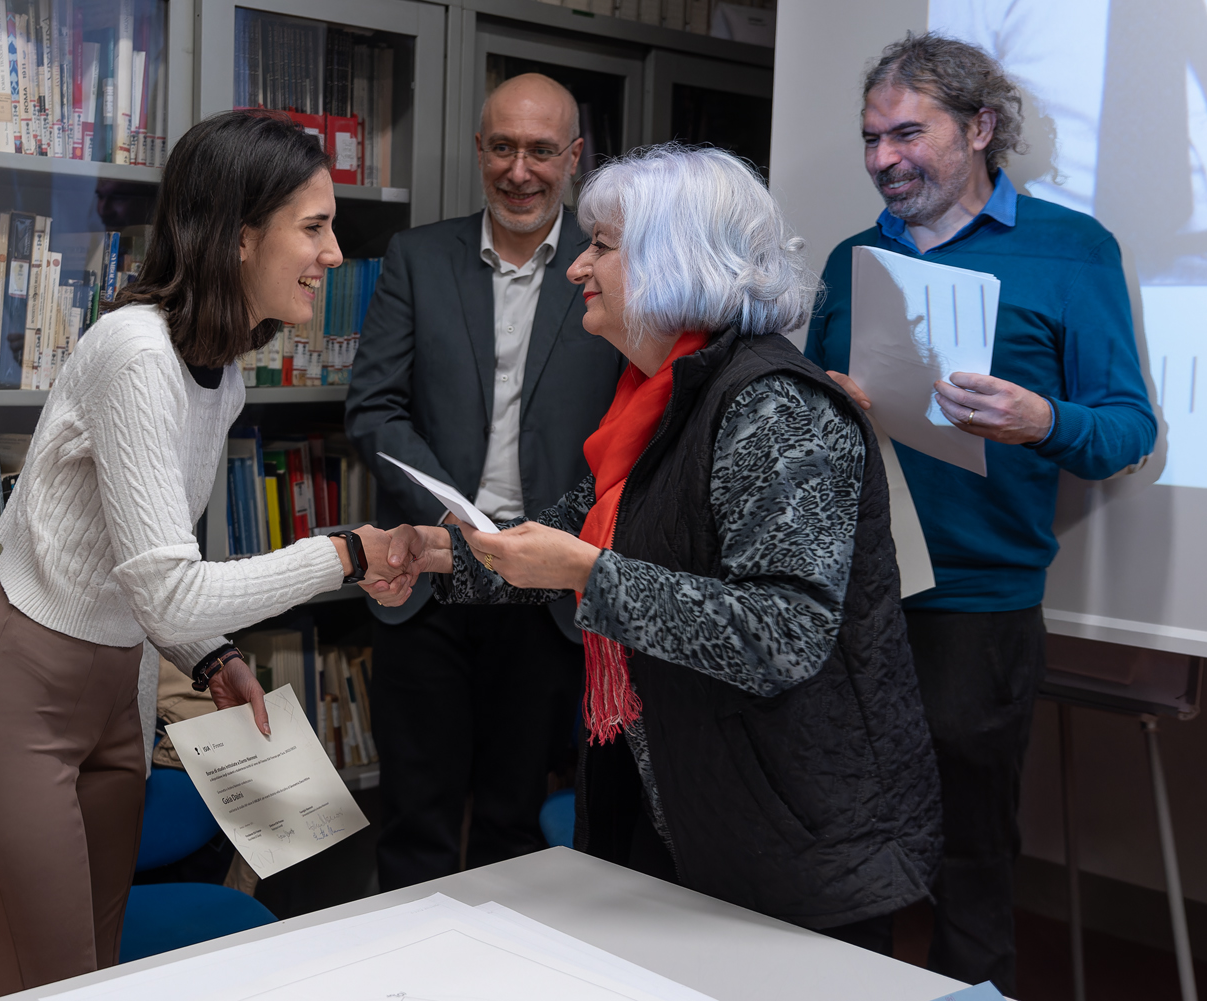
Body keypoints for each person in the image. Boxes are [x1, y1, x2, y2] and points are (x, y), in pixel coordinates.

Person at [371, 144, 943, 951]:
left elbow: (782, 632)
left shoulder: (775, 405)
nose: (577, 267)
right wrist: (442, 553)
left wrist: (590, 575)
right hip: (688, 807)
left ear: (677, 260)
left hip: (794, 834)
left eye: (602, 246)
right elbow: (574, 534)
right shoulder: (659, 396)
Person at [0, 110, 406, 996]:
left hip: (122, 695)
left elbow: (142, 576)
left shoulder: (222, 368)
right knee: (53, 985)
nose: (334, 253)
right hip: (16, 698)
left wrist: (206, 656)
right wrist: (346, 553)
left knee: (95, 979)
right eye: (314, 227)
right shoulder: (137, 354)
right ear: (240, 235)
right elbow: (174, 591)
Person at [803, 34, 1157, 992]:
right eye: (872, 138)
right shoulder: (851, 257)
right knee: (846, 847)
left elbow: (1128, 428)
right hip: (853, 600)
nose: (883, 159)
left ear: (981, 128)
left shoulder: (1072, 251)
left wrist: (1044, 418)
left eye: (908, 133)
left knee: (971, 855)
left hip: (980, 605)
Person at [345, 73, 623, 889]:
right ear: (479, 150)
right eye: (502, 147)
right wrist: (459, 523)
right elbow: (374, 408)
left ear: (574, 158)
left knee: (515, 822)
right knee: (414, 819)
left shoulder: (607, 271)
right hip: (428, 576)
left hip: (548, 599)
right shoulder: (418, 258)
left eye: (542, 150)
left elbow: (625, 431)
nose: (519, 170)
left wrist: (535, 545)